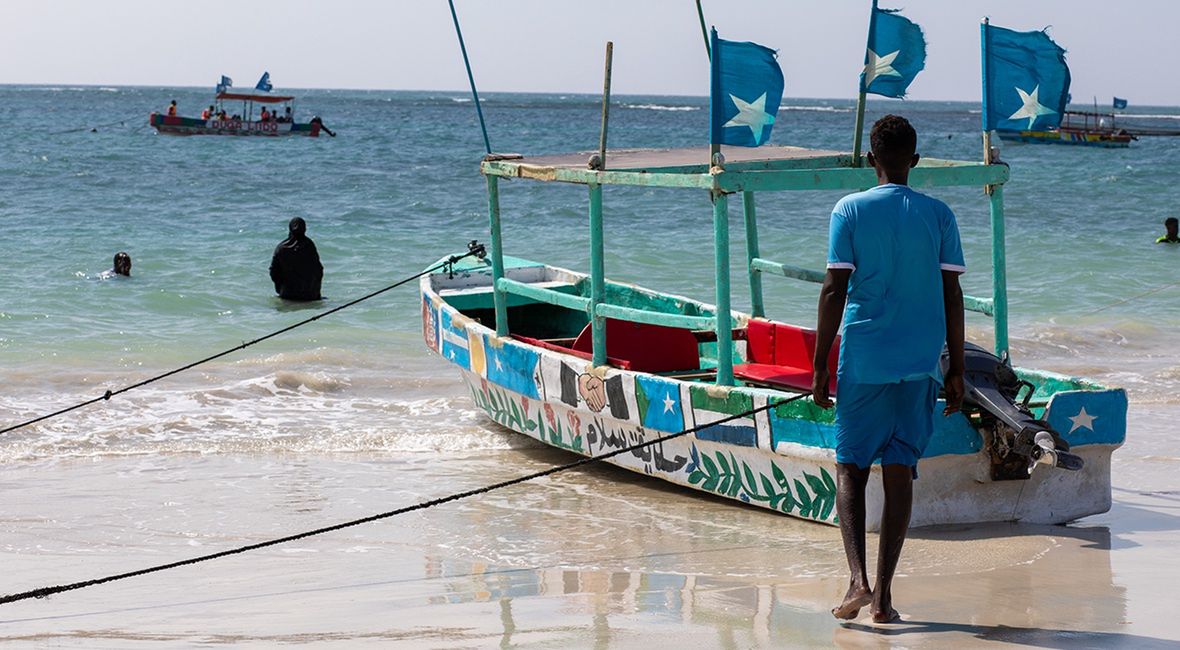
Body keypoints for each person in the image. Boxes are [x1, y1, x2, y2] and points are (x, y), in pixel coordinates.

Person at [811, 115, 965, 624]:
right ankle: (884, 600)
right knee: (900, 471)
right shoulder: (939, 214)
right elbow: (952, 294)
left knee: (850, 468)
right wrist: (956, 368)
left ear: (870, 159)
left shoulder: (848, 209)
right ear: (914, 161)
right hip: (920, 360)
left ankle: (858, 580)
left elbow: (834, 289)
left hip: (866, 357)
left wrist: (819, 363)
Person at [269, 217, 323, 301]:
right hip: (310, 295)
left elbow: (273, 272)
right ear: (304, 229)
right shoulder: (309, 245)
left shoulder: (281, 248)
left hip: (288, 295)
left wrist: (280, 288)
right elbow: (318, 270)